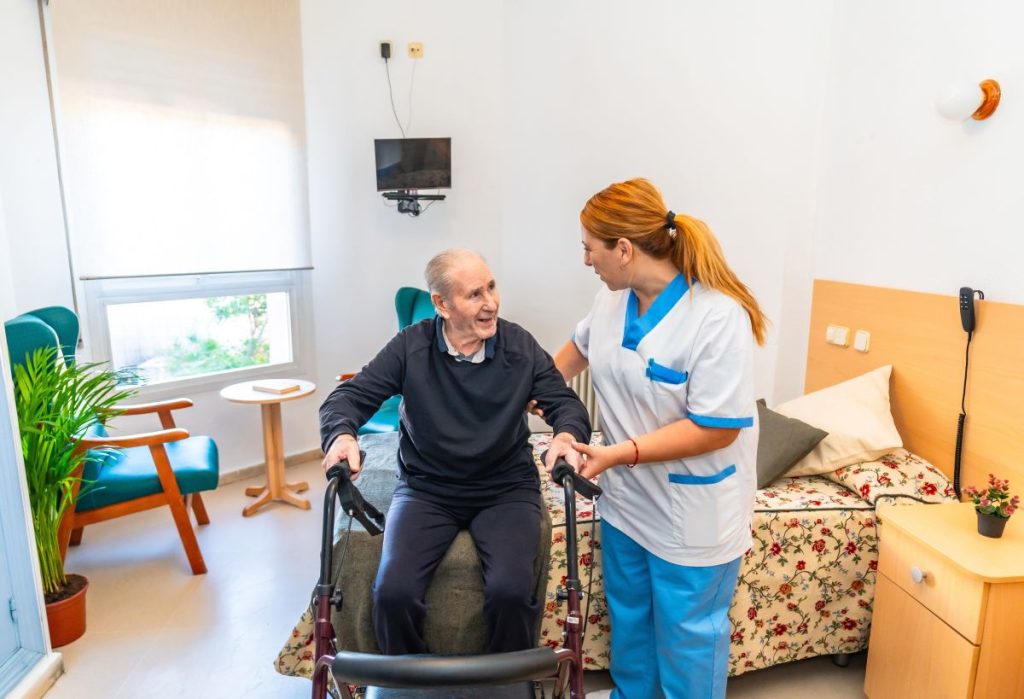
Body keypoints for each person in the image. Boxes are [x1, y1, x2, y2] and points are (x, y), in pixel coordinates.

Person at [549, 178, 767, 699]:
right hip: (628, 503)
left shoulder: (716, 317)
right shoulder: (610, 302)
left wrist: (617, 453)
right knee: (632, 630)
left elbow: (715, 428)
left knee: (688, 643)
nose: (585, 260)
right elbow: (572, 355)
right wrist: (513, 396)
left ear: (623, 250)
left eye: (589, 247)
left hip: (693, 512)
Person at [320, 249, 591, 655]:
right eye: (475, 294)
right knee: (392, 593)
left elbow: (564, 403)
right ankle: (411, 686)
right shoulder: (410, 347)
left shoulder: (519, 347)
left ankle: (507, 685)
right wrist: (341, 435)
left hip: (505, 489)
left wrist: (566, 435)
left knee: (510, 593)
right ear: (442, 304)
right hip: (427, 489)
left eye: (492, 287)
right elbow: (348, 398)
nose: (491, 303)